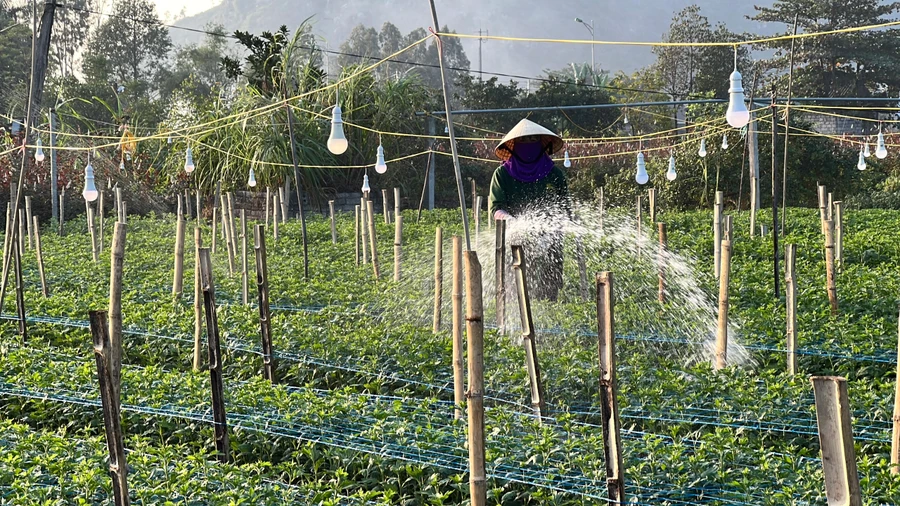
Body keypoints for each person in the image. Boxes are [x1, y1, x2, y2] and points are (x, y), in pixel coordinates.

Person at [489, 119, 570, 301]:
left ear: (542, 144)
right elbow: (496, 208)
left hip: (549, 242)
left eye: (532, 139)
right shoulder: (502, 175)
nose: (528, 145)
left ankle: (550, 306)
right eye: (523, 141)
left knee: (548, 291)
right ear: (513, 146)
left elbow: (564, 208)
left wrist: (550, 232)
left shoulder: (554, 175)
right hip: (514, 240)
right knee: (515, 286)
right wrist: (512, 221)